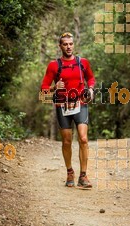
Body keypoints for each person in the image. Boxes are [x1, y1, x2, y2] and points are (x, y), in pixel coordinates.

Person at [41, 32, 95, 189]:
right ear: (60, 46)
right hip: (62, 105)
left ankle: (83, 176)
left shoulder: (83, 63)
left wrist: (90, 89)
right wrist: (54, 87)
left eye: (70, 44)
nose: (68, 46)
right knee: (66, 141)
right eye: (65, 44)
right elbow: (43, 89)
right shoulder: (53, 65)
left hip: (80, 103)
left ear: (74, 45)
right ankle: (70, 172)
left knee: (83, 138)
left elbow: (90, 78)